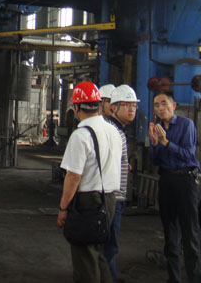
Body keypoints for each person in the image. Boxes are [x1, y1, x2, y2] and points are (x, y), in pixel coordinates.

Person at [57, 81, 122, 283]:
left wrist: (63, 208)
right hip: (109, 200)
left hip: (88, 201)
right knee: (98, 253)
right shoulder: (113, 131)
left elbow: (73, 176)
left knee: (85, 257)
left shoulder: (81, 135)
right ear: (98, 104)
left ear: (77, 108)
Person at [149, 92, 201, 283]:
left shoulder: (186, 125)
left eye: (164, 103)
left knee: (190, 232)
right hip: (166, 180)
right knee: (169, 231)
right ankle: (174, 278)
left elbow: (189, 155)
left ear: (174, 105)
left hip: (185, 181)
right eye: (156, 105)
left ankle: (195, 278)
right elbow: (155, 160)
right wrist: (154, 144)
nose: (160, 108)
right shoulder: (157, 128)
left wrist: (165, 143)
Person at [103, 84, 138, 282]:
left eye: (134, 105)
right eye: (126, 105)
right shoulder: (113, 131)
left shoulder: (119, 131)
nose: (132, 109)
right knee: (109, 244)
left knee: (110, 243)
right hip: (112, 198)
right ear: (113, 108)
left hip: (116, 197)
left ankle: (110, 276)